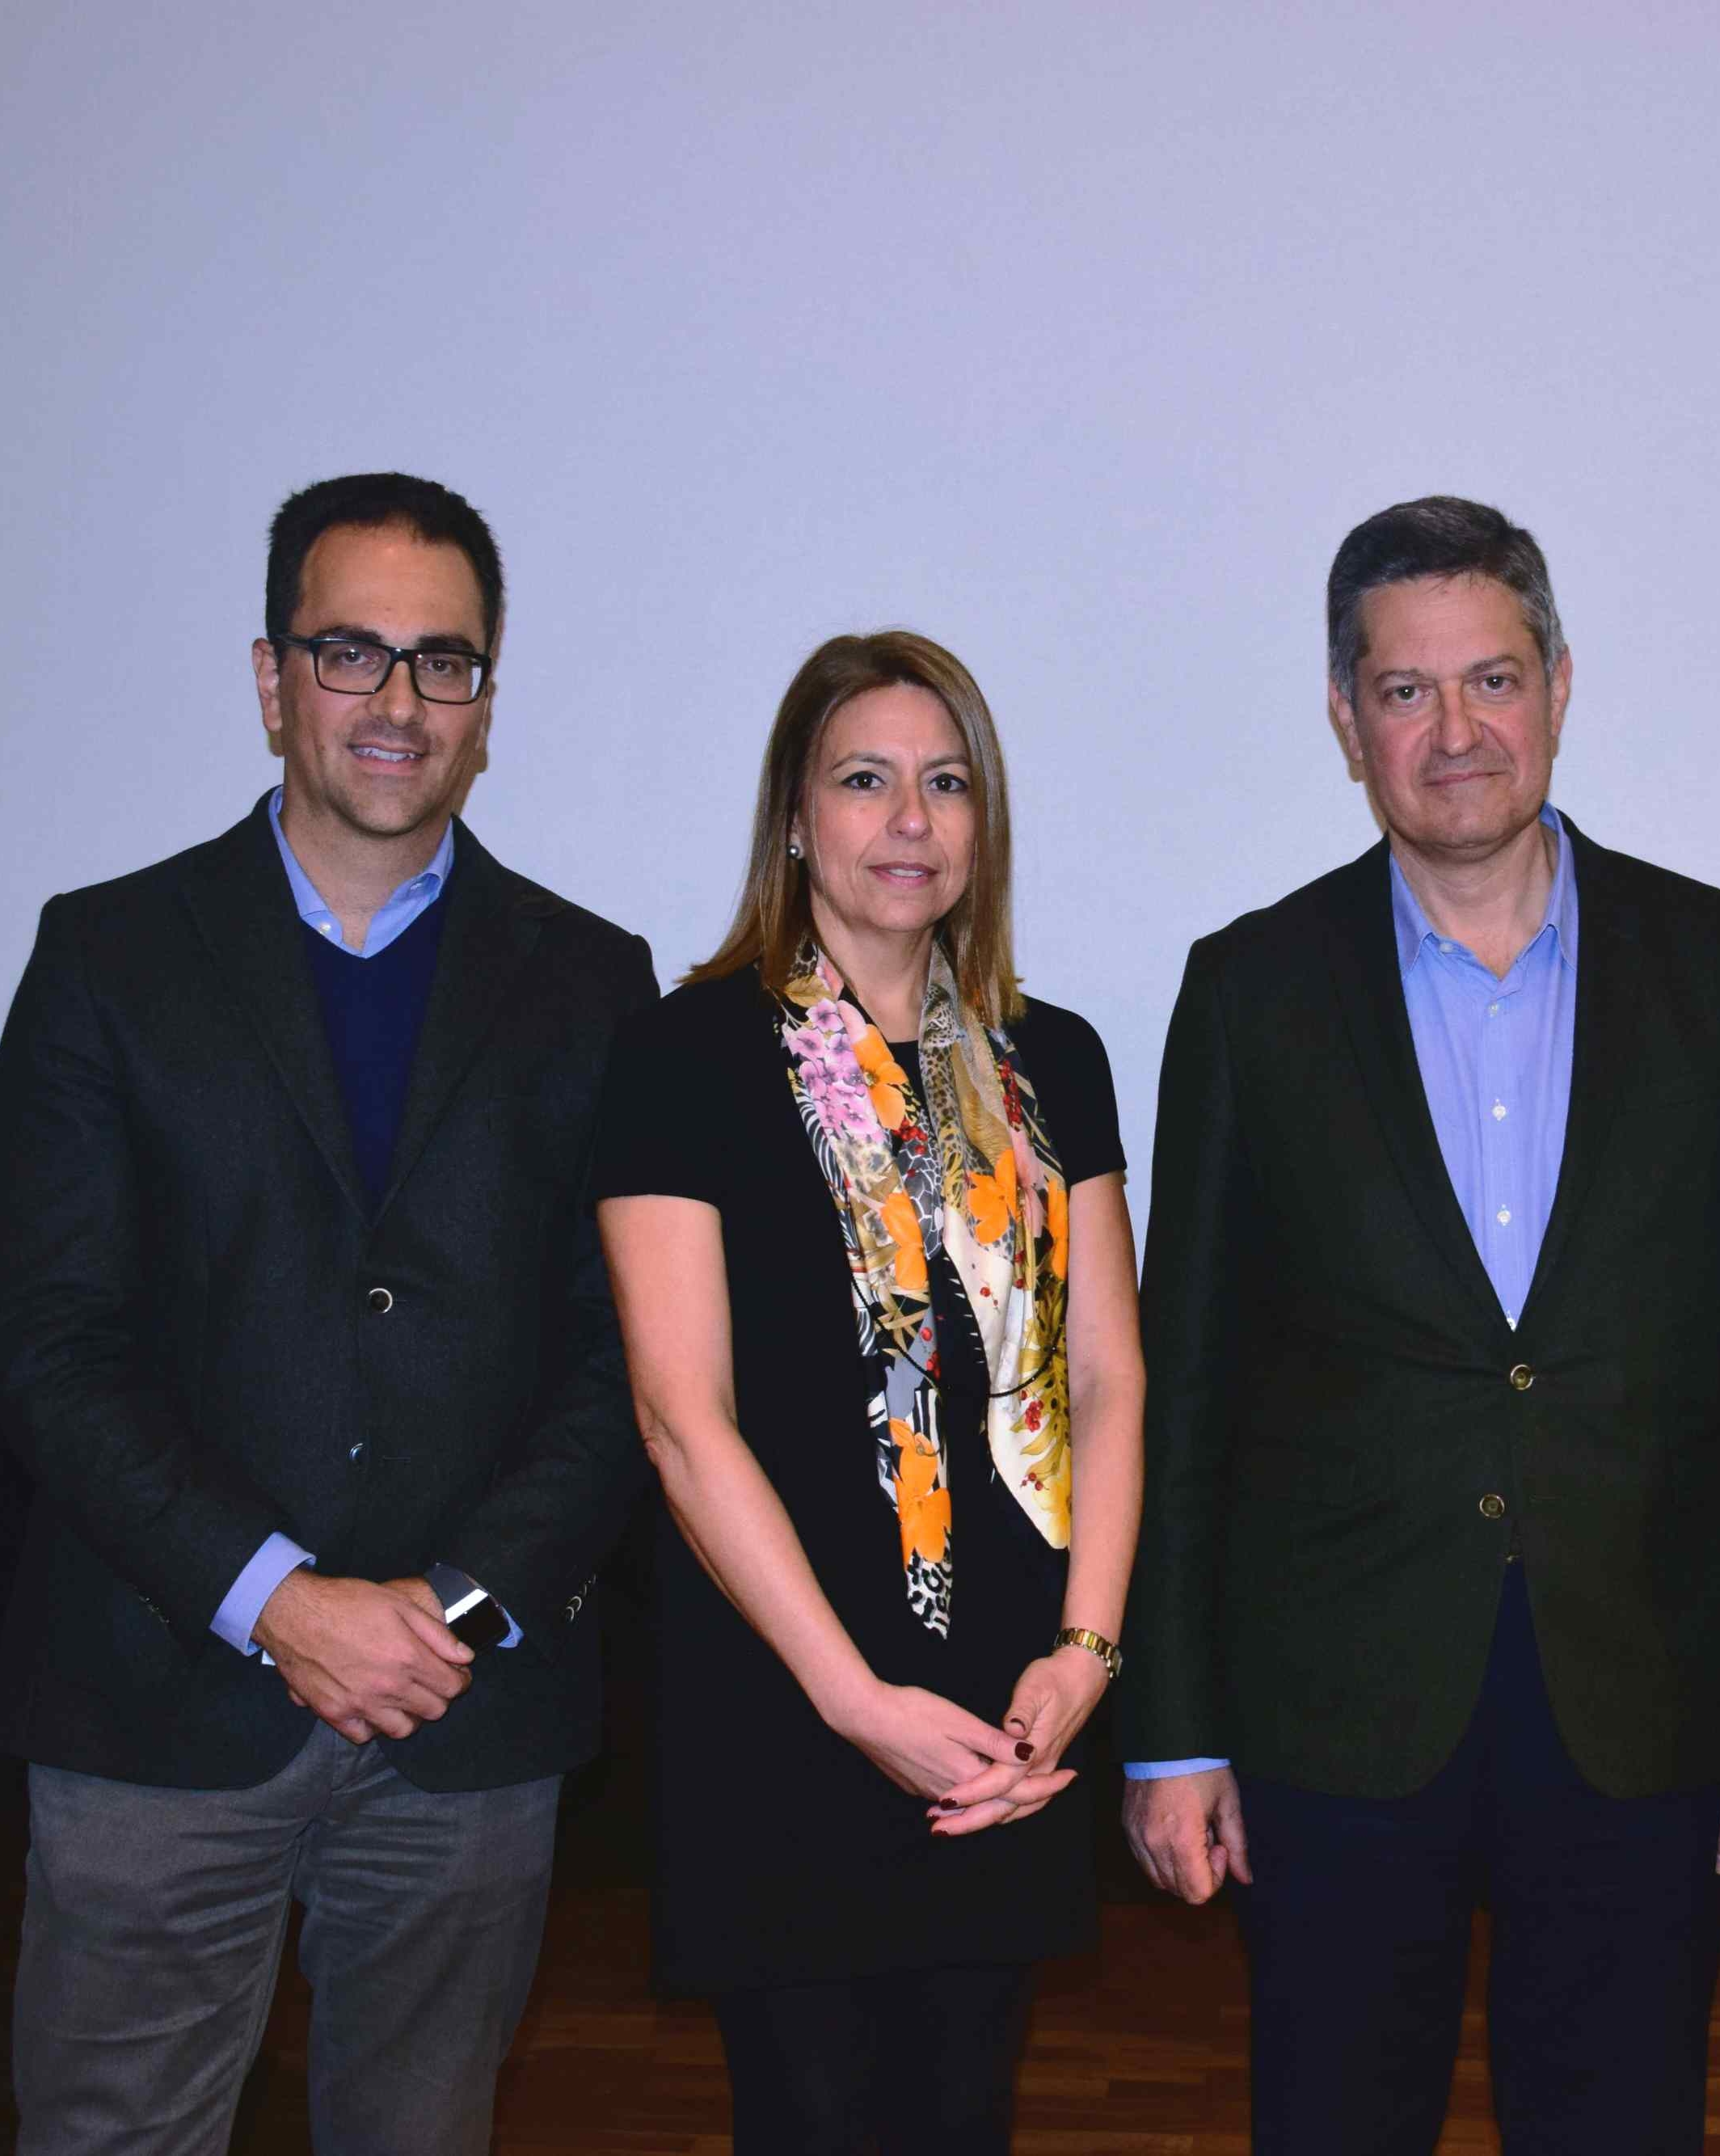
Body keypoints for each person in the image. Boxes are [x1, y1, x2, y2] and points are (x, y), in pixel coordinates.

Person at [1119, 496, 1720, 2154]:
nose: (1454, 731)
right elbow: (1187, 1385)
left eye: (1492, 679)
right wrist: (1173, 1732)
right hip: (1334, 1711)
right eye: (1404, 690)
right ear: (1344, 717)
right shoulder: (1248, 991)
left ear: (1560, 685)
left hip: (1644, 1692)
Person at [0, 472, 657, 2156]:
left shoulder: (593, 982)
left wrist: (453, 1610)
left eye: (444, 661)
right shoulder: (108, 955)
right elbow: (54, 1345)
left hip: (464, 1714)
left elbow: (622, 1356)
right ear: (272, 678)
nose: (397, 700)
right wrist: (276, 1599)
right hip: (156, 1706)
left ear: (485, 701)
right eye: (350, 651)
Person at [595, 631, 1145, 2154]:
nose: (911, 819)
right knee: (813, 2120)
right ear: (795, 818)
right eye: (864, 780)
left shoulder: (1054, 1063)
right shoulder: (682, 1056)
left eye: (947, 783)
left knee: (966, 2115)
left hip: (1008, 1718)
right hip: (788, 1706)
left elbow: (1108, 1377)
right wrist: (853, 1703)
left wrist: (1086, 1655)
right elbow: (681, 1420)